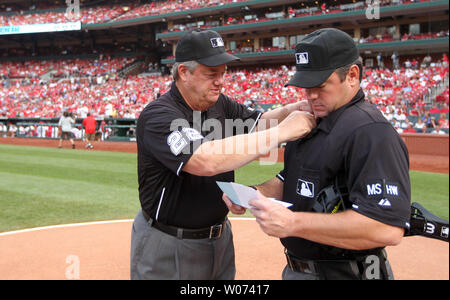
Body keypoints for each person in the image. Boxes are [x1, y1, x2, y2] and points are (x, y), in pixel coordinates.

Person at [224, 28, 411, 280]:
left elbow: (385, 228)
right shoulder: (310, 121)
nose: (311, 96)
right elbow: (293, 178)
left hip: (348, 273)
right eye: (306, 86)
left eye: (321, 85)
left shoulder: (370, 131)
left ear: (352, 76)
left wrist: (293, 223)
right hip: (298, 270)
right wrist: (256, 194)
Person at [131, 29, 315, 280]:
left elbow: (258, 124)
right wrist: (284, 131)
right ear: (184, 73)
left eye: (223, 73)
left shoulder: (219, 103)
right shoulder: (159, 115)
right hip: (169, 241)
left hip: (219, 239)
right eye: (211, 74)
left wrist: (293, 109)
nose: (220, 81)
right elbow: (204, 160)